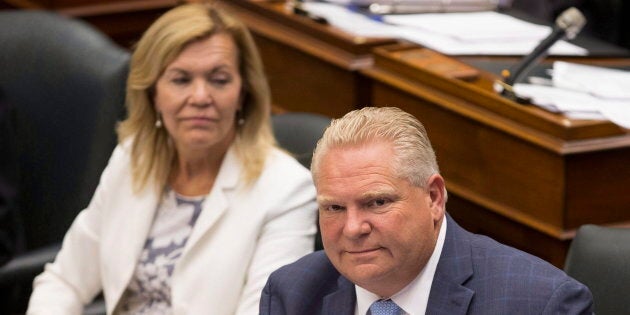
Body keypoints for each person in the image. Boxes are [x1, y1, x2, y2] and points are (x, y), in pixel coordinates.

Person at [27, 3, 317, 314]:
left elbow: (264, 311)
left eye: (219, 80)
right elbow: (65, 281)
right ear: (153, 93)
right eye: (181, 80)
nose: (200, 97)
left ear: (243, 93)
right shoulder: (132, 157)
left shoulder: (287, 190)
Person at [260, 107, 593, 315]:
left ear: (434, 197)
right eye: (334, 207)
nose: (353, 228)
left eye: (377, 203)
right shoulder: (293, 293)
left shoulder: (539, 304)